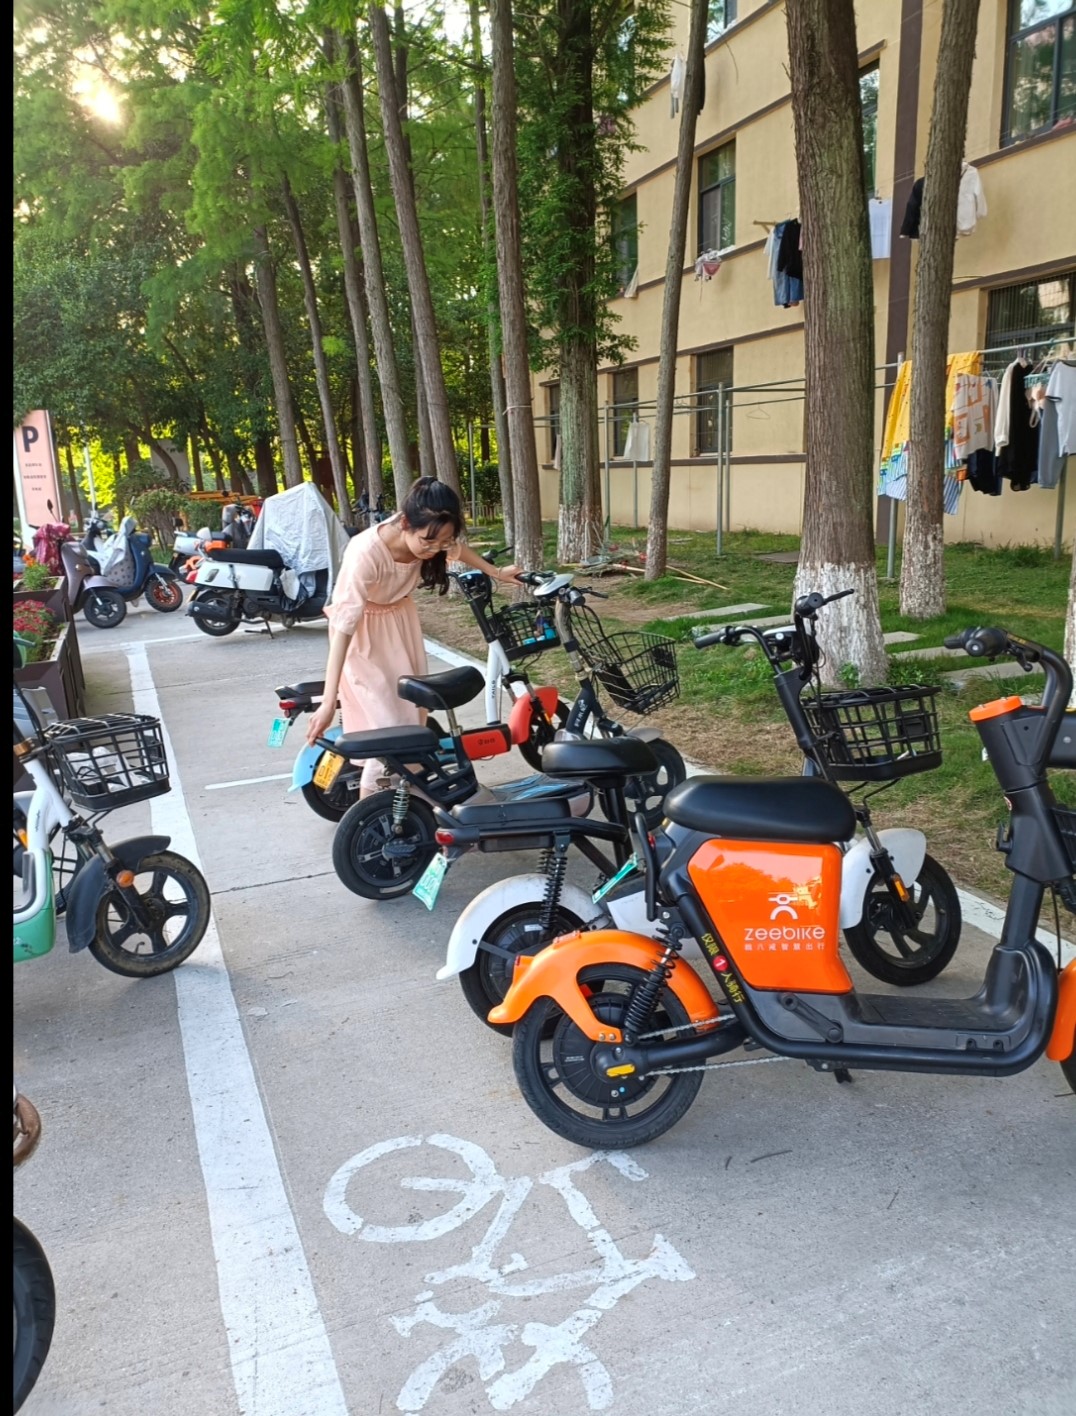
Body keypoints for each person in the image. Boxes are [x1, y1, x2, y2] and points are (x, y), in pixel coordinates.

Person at [305, 477, 518, 796]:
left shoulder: (431, 531)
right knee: (389, 732)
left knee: (410, 720)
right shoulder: (365, 553)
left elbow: (456, 550)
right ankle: (370, 815)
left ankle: (409, 801)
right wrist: (327, 700)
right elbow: (345, 625)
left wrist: (496, 573)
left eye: (441, 542)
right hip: (363, 637)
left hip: (401, 625)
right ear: (405, 523)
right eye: (428, 542)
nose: (434, 550)